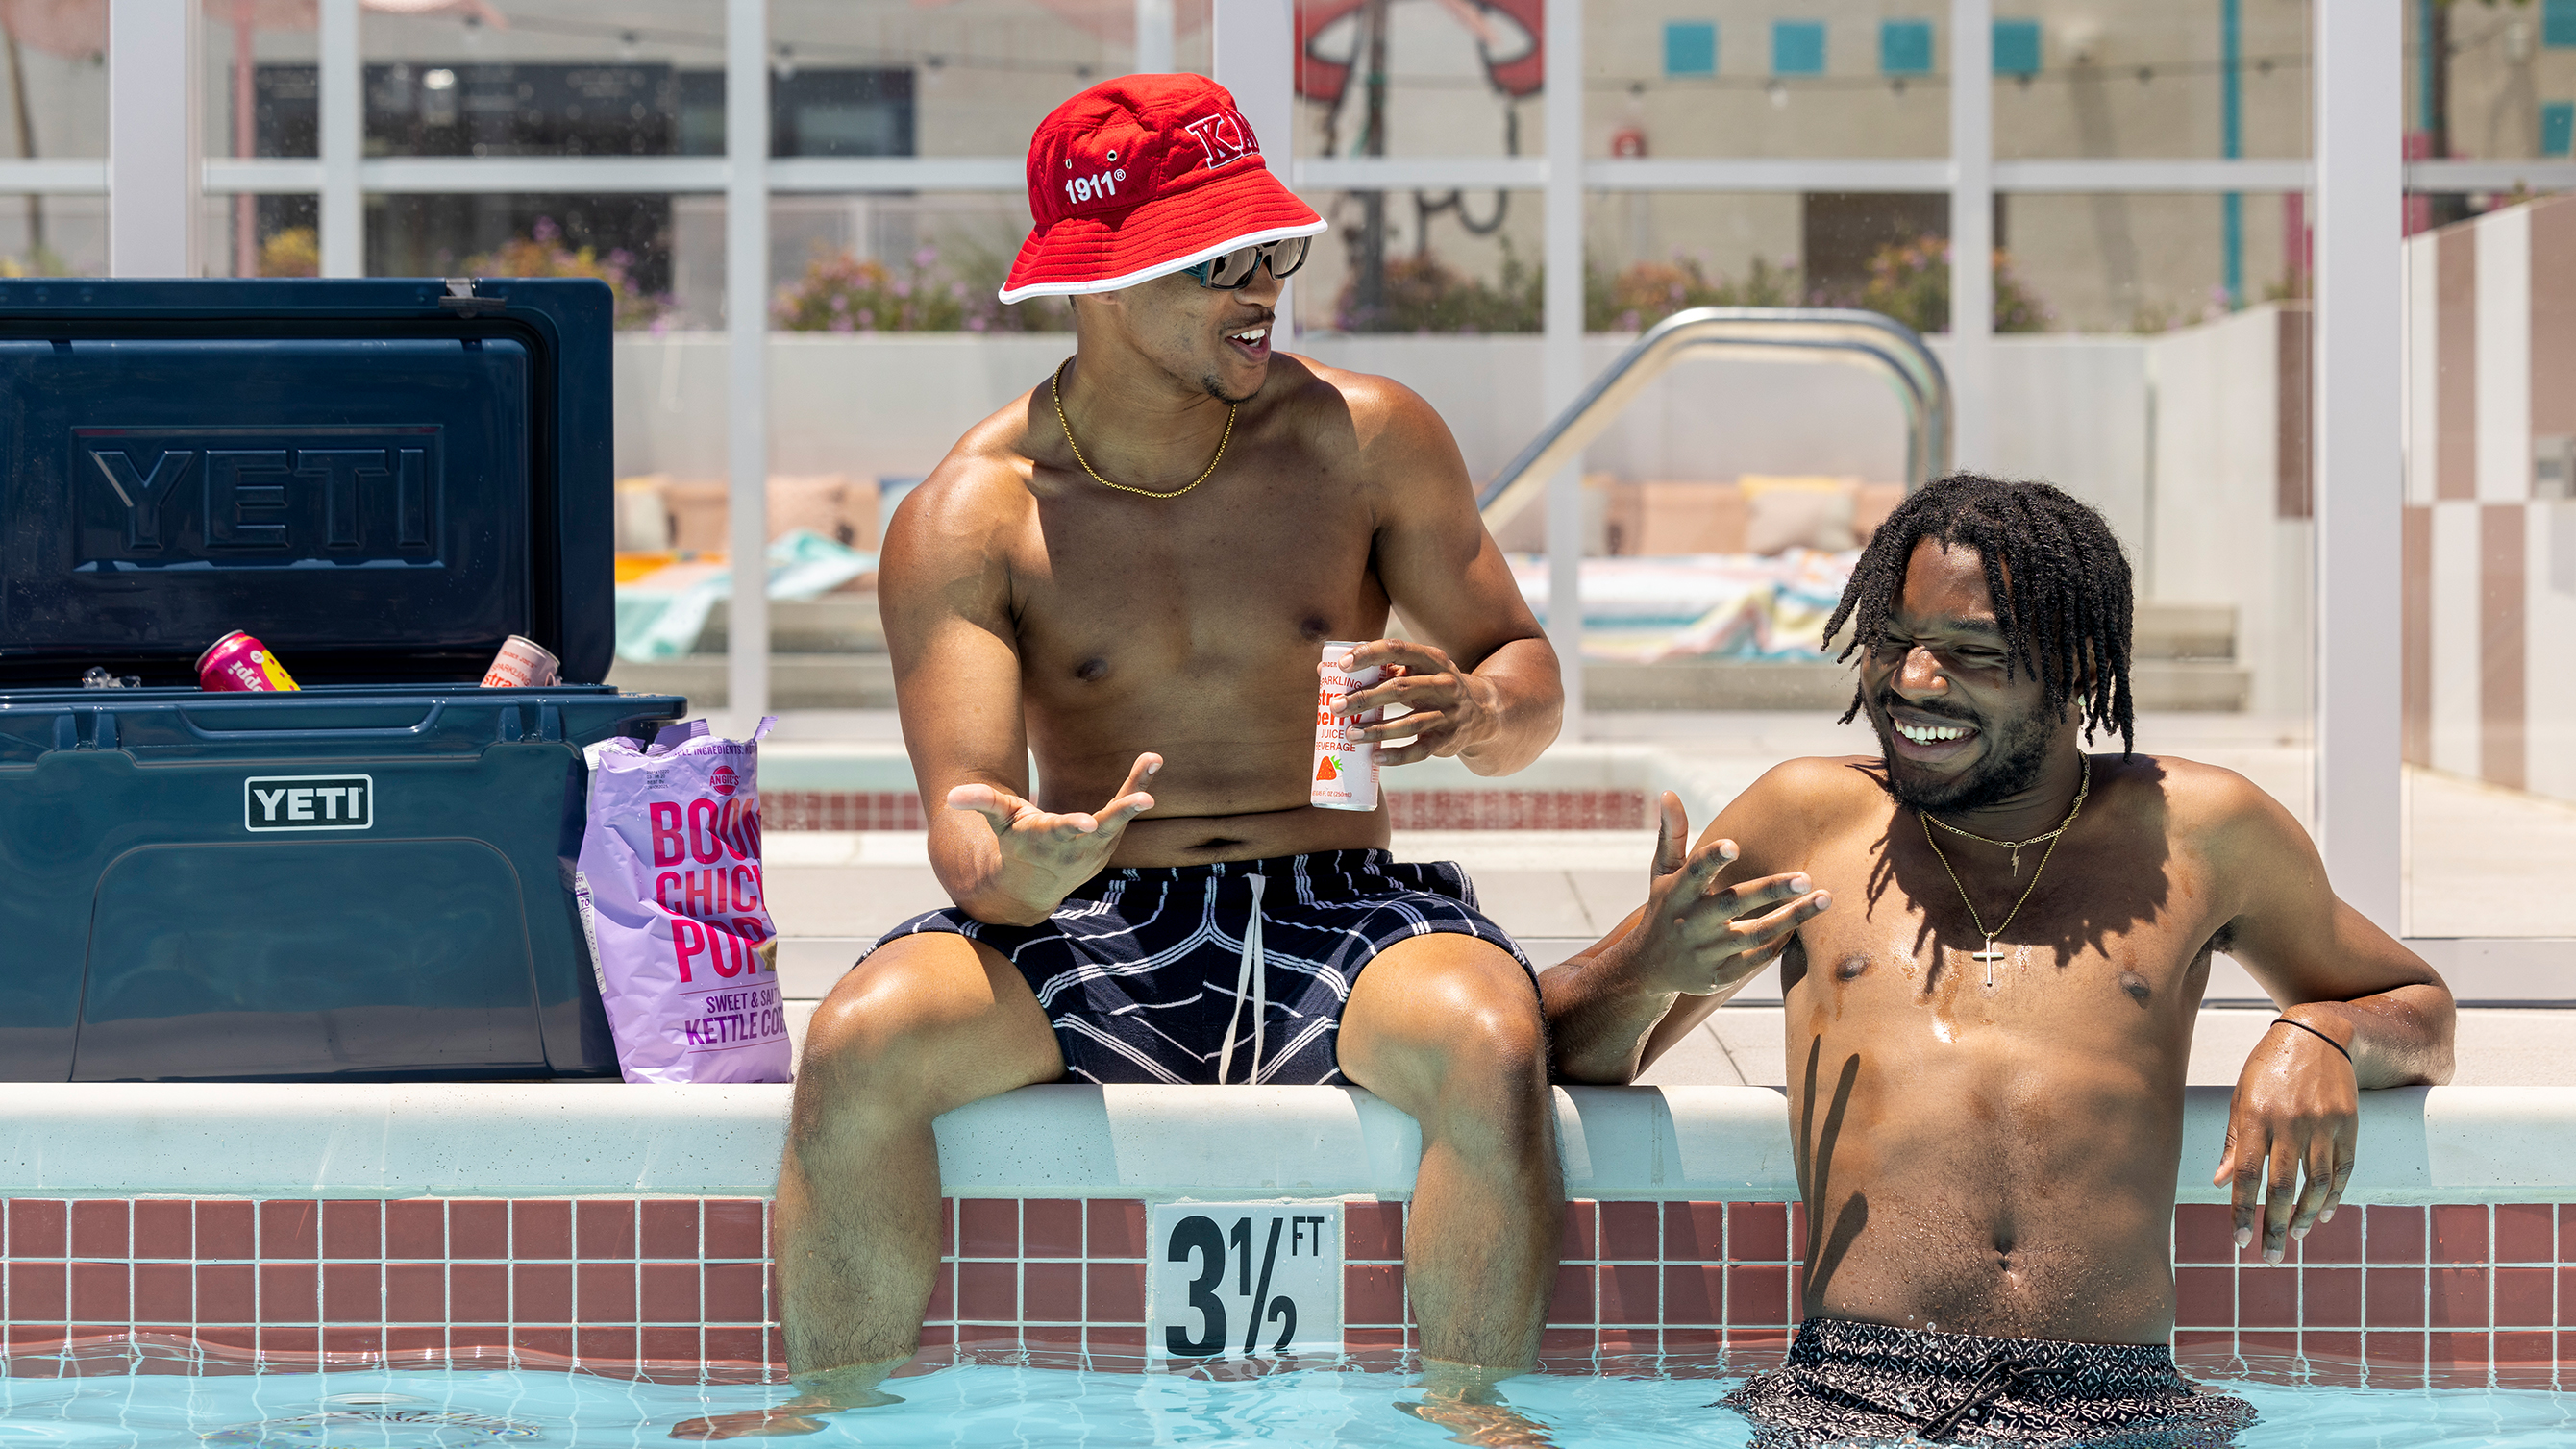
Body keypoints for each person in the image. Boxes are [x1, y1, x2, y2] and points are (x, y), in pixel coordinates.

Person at [685, 75, 1567, 1438]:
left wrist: (1482, 714)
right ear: (1105, 278)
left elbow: (1527, 670)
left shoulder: (1362, 437)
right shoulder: (973, 516)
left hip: (1337, 905)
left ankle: (1463, 1414)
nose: (1262, 285)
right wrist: (1021, 861)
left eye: (1274, 249)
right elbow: (970, 833)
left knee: (1497, 1045)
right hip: (1096, 918)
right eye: (1220, 261)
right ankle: (834, 1414)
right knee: (858, 1046)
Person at [1539, 476, 2456, 1447]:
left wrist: (2324, 1028)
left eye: (1971, 653)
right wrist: (1648, 960)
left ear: (2080, 665)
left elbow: (2419, 1009)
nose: (1913, 682)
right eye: (1890, 640)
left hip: (2124, 1403)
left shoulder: (2199, 829)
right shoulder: (1805, 818)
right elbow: (1564, 1051)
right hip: (1850, 1394)